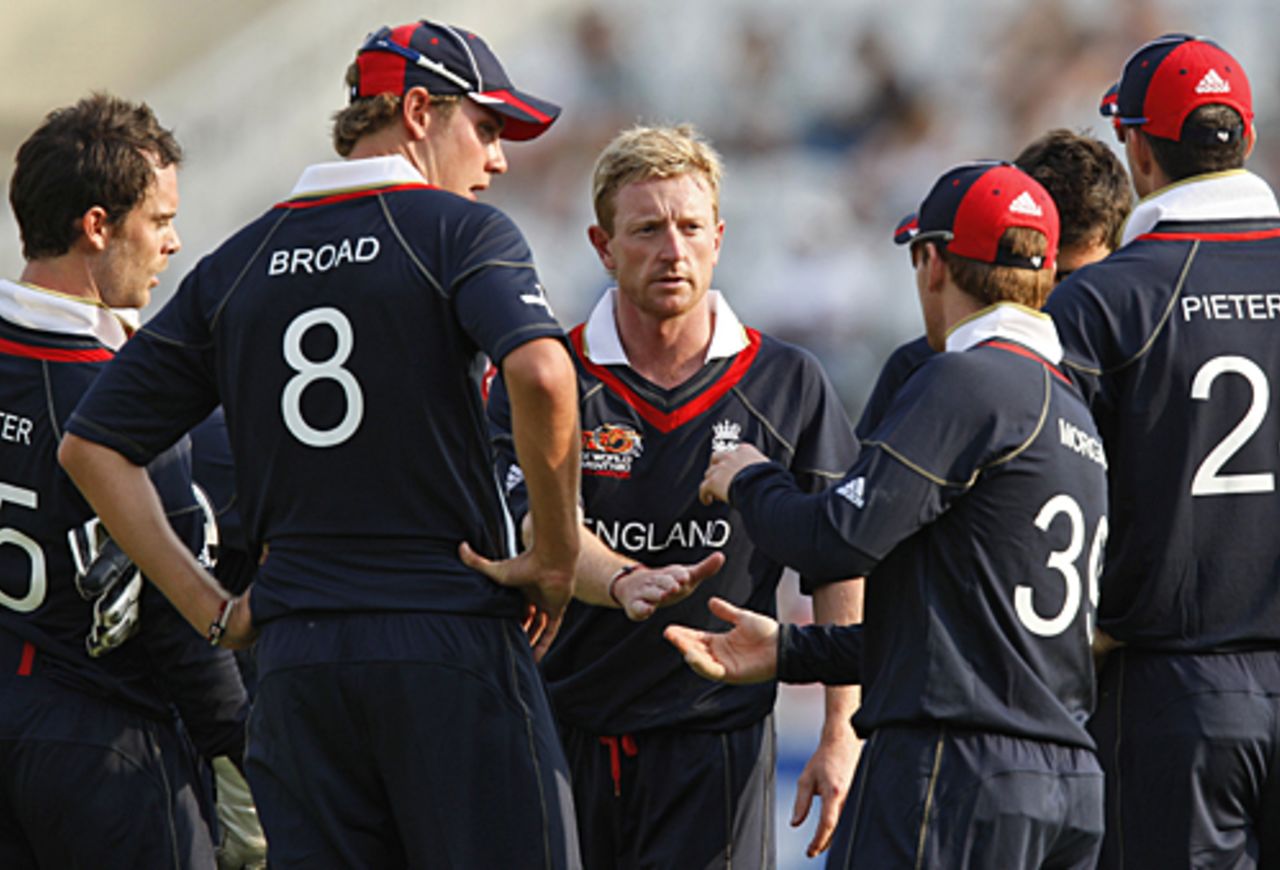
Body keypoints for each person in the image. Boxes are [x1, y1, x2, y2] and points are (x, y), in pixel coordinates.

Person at [57, 21, 583, 869]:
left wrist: (210, 609)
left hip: (298, 664)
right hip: (445, 642)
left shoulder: (237, 261)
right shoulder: (459, 233)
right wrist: (555, 557)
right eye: (486, 128)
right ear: (418, 111)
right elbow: (546, 377)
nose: (498, 160)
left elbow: (90, 447)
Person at [667, 161, 1109, 869]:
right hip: (1066, 782)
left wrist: (751, 479)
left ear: (932, 262)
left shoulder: (969, 380)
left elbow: (836, 540)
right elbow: (964, 635)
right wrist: (792, 650)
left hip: (958, 768)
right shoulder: (1070, 406)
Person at [488, 123, 864, 867]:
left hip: (717, 736)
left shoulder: (787, 382)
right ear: (602, 245)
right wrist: (623, 578)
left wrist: (838, 732)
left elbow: (838, 562)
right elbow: (535, 528)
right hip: (561, 730)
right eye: (648, 229)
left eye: (691, 227)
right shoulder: (547, 376)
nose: (673, 249)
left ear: (719, 237)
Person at [1045, 33, 1280, 868]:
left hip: (1169, 690)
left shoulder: (1102, 300)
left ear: (1137, 148)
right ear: (1245, 137)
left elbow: (1054, 493)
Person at [0, 93, 250, 868]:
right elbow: (184, 627)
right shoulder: (121, 402)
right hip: (105, 754)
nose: (174, 243)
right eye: (161, 220)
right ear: (97, 225)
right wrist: (251, 756)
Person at [855, 128, 1132, 439]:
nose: (1048, 294)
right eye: (1032, 268)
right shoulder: (919, 367)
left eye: (1073, 281)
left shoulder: (1132, 370)